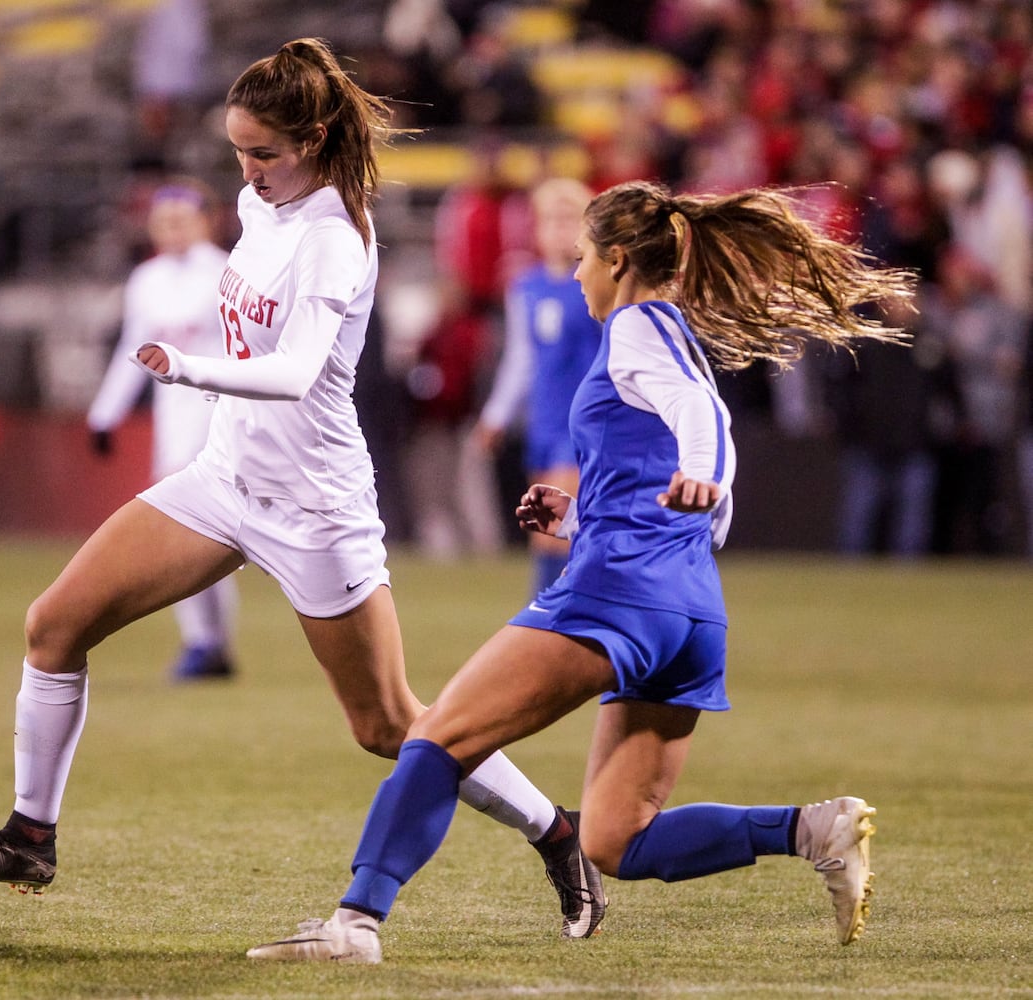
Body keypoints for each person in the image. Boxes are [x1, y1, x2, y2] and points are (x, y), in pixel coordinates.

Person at [0, 37, 604, 940]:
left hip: (315, 506)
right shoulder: (257, 205)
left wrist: (190, 369)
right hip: (225, 480)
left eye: (264, 152)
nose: (249, 170)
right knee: (53, 624)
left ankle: (557, 834)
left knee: (389, 725)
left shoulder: (336, 240)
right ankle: (32, 836)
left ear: (312, 138)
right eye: (238, 151)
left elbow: (300, 370)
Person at [247, 180, 918, 964]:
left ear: (620, 260)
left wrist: (701, 475)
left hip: (619, 597)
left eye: (583, 259)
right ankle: (813, 829)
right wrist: (577, 521)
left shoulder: (638, 324)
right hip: (689, 610)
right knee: (615, 839)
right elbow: (693, 466)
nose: (574, 276)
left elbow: (707, 428)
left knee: (435, 738)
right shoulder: (673, 338)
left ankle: (355, 926)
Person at [85, 180, 239, 680]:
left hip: (221, 415)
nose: (172, 228)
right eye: (163, 219)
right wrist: (105, 413)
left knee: (203, 532)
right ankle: (207, 643)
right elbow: (135, 347)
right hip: (174, 420)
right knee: (195, 534)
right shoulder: (146, 279)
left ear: (206, 220)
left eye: (182, 218)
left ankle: (208, 642)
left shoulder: (228, 274)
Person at [475, 177, 601, 593]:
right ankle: (553, 614)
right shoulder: (525, 287)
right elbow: (521, 359)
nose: (558, 229)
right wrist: (496, 416)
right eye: (550, 219)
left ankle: (551, 616)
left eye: (569, 220)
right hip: (544, 422)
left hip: (585, 420)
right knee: (545, 528)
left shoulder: (597, 283)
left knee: (557, 524)